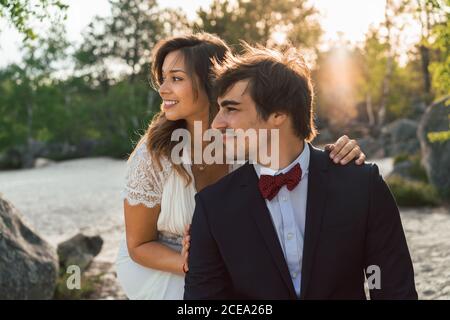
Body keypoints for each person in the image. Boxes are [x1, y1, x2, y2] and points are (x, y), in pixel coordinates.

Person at [115, 33, 366, 300]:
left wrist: (338, 154)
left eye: (176, 78)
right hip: (166, 268)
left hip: (235, 263)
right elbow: (139, 244)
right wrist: (197, 264)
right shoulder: (154, 154)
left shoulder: (248, 142)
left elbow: (295, 155)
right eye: (162, 78)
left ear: (212, 82)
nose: (163, 89)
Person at [183, 44, 417, 300]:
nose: (217, 123)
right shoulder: (213, 206)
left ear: (278, 113)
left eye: (231, 109)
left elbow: (391, 286)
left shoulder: (361, 185)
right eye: (219, 109)